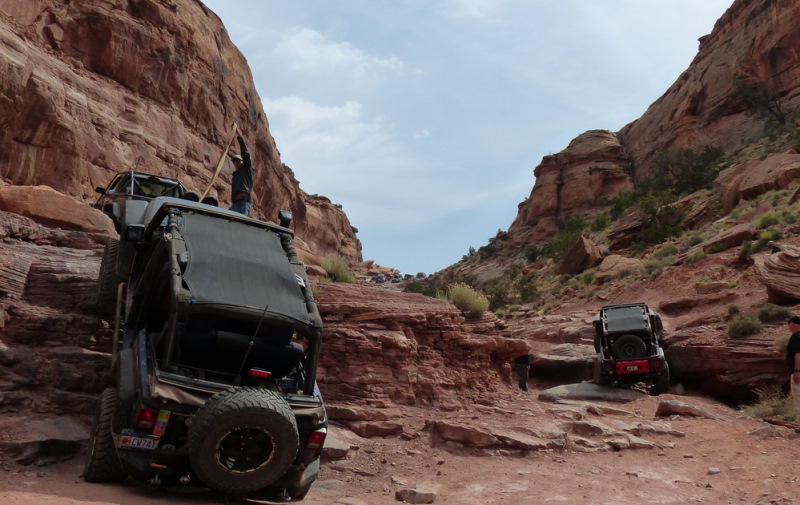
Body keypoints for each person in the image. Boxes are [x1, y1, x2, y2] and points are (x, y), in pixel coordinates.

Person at [229, 133, 254, 216]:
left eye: (238, 161)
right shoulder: (236, 174)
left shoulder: (247, 168)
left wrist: (239, 136)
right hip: (235, 204)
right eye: (234, 161)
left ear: (242, 161)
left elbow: (246, 153)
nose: (235, 163)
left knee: (240, 223)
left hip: (243, 202)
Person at [786, 316, 800, 423]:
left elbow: (798, 354)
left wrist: (797, 371)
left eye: (789, 323)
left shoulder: (796, 337)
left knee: (798, 398)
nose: (787, 325)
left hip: (798, 372)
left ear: (794, 325)